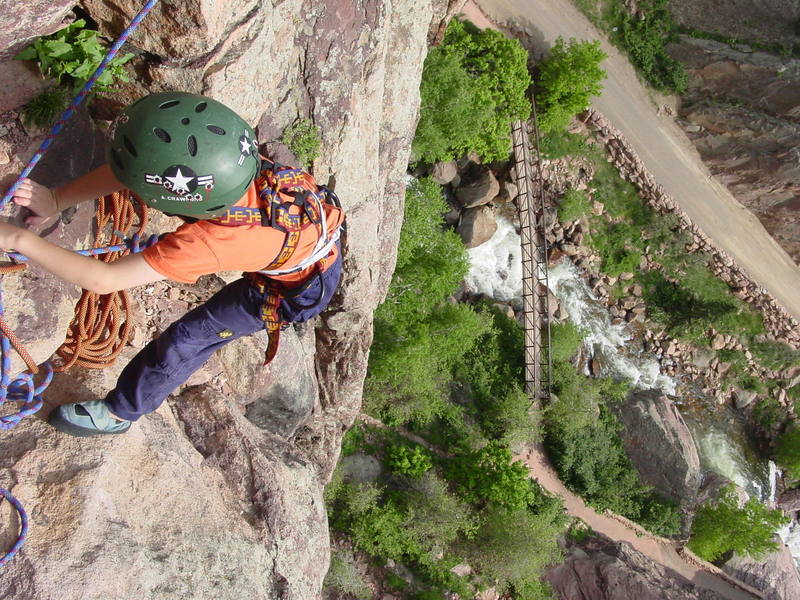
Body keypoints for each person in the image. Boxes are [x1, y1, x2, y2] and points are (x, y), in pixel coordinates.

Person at [0, 91, 345, 437]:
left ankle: (120, 414)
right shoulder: (228, 159)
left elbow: (104, 279)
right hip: (303, 232)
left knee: (187, 340)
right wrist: (56, 199)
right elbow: (141, 170)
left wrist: (18, 240)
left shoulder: (209, 243)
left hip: (294, 289)